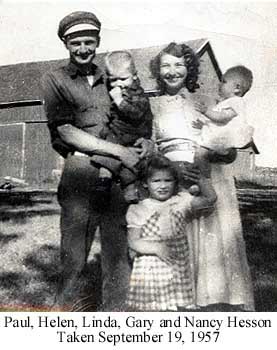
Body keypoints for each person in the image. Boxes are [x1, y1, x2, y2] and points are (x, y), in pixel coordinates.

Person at [41, 11, 153, 311]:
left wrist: (146, 141)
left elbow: (139, 114)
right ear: (65, 43)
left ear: (98, 42)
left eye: (88, 42)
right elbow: (65, 130)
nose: (82, 49)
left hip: (118, 179)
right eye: (75, 43)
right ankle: (57, 321)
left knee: (118, 259)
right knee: (74, 258)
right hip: (80, 173)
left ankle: (113, 322)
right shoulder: (55, 79)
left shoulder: (115, 76)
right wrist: (120, 152)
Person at [149, 42, 255, 311]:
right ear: (158, 71)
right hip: (169, 177)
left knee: (212, 250)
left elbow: (231, 145)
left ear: (189, 68)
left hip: (208, 174)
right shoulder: (153, 105)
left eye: (179, 65)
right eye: (166, 65)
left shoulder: (208, 100)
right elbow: (148, 147)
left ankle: (211, 304)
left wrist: (220, 154)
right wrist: (172, 168)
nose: (172, 71)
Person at [126, 155, 217, 311]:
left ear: (175, 182)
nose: (162, 186)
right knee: (153, 309)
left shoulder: (180, 201)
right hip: (151, 267)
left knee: (178, 308)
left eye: (168, 180)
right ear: (145, 184)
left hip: (177, 266)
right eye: (156, 181)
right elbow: (133, 242)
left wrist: (201, 179)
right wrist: (155, 248)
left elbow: (210, 199)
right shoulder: (139, 209)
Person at [90, 50, 153, 203]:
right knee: (107, 158)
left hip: (133, 135)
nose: (119, 84)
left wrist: (119, 101)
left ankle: (130, 192)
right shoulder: (109, 92)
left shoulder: (139, 95)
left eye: (123, 79)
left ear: (135, 76)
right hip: (117, 135)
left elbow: (137, 114)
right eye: (113, 80)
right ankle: (103, 185)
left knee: (130, 165)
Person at [194, 65, 254, 153]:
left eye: (223, 82)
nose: (219, 84)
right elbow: (216, 122)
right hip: (220, 136)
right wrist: (203, 124)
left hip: (225, 138)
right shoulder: (226, 102)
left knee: (199, 147)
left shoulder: (236, 102)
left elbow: (223, 117)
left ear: (237, 88)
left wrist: (206, 111)